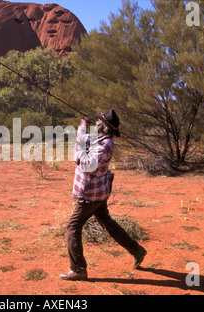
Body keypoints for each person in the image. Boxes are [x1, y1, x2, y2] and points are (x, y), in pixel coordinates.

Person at [60, 109, 147, 281]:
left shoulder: (106, 144)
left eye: (100, 121)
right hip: (98, 191)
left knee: (72, 227)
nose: (97, 122)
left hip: (91, 193)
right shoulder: (97, 138)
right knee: (106, 221)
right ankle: (136, 250)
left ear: (106, 127)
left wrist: (77, 150)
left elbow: (86, 163)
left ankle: (78, 269)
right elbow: (82, 140)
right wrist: (82, 125)